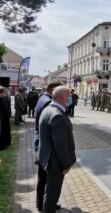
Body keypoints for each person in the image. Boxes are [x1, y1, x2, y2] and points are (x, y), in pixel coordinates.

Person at [38, 86, 76, 212]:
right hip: (55, 162)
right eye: (69, 95)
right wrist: (65, 164)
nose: (70, 98)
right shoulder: (57, 115)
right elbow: (60, 145)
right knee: (52, 193)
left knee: (49, 191)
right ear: (63, 97)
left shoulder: (48, 109)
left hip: (46, 157)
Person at [33, 81, 62, 211]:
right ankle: (45, 204)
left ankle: (41, 203)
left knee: (43, 178)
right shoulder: (47, 102)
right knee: (47, 179)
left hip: (40, 141)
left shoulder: (42, 98)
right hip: (46, 145)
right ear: (53, 90)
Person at [0, 85, 11, 150]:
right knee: (1, 132)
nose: (4, 93)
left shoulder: (3, 98)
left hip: (5, 118)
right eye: (3, 92)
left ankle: (4, 143)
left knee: (4, 131)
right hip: (1, 119)